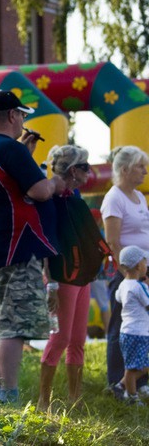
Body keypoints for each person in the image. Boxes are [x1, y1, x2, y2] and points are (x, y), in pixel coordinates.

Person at [0, 89, 64, 404]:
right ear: (12, 115)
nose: (23, 121)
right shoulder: (10, 148)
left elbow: (3, 186)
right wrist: (55, 182)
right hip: (17, 247)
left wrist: (24, 154)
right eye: (22, 115)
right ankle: (9, 396)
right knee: (13, 328)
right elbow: (39, 191)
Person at [37, 145, 92, 411]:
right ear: (72, 170)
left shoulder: (75, 196)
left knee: (78, 339)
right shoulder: (49, 199)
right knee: (60, 337)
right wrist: (50, 282)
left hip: (82, 276)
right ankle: (43, 401)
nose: (89, 172)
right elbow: (46, 241)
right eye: (85, 167)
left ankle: (74, 399)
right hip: (61, 277)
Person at [101, 145, 149, 396]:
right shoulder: (114, 198)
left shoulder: (139, 196)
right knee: (121, 325)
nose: (145, 171)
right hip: (126, 275)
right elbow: (113, 242)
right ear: (125, 169)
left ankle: (138, 381)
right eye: (140, 166)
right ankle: (116, 382)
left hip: (142, 272)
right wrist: (130, 276)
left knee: (142, 326)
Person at [114, 245, 149, 405]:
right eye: (145, 262)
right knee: (132, 367)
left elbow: (118, 298)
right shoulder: (139, 286)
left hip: (127, 331)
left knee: (139, 366)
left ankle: (121, 386)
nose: (146, 265)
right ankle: (132, 398)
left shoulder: (123, 284)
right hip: (138, 333)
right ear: (138, 266)